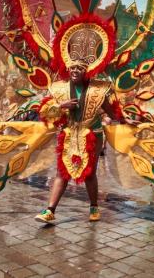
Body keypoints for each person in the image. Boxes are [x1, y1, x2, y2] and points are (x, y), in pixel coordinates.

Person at [34, 61, 138, 223]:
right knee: (62, 173)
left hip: (92, 134)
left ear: (86, 71)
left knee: (89, 173)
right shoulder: (59, 88)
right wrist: (62, 105)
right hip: (68, 135)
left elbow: (111, 111)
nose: (75, 70)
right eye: (73, 67)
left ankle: (94, 206)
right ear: (68, 69)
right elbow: (45, 112)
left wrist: (125, 120)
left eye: (80, 68)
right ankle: (50, 210)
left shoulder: (97, 90)